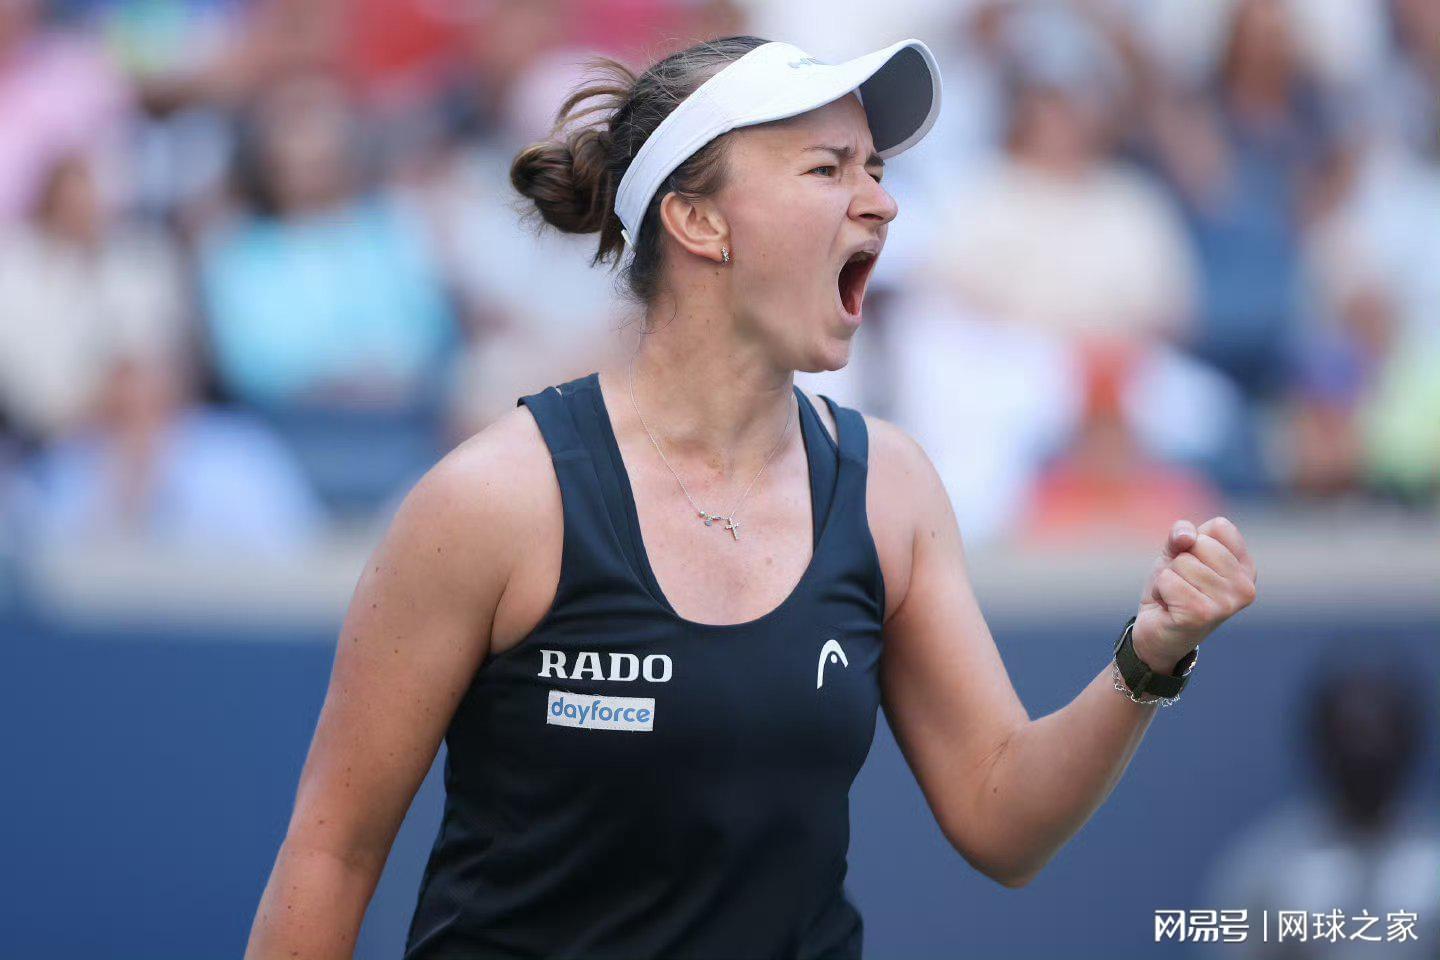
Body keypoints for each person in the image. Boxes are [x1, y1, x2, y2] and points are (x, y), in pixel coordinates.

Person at [245, 35, 1259, 959]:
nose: (881, 202)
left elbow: (1003, 819)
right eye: (828, 169)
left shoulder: (891, 488)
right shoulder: (492, 501)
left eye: (875, 170)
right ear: (697, 220)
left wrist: (1148, 659)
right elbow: (330, 857)